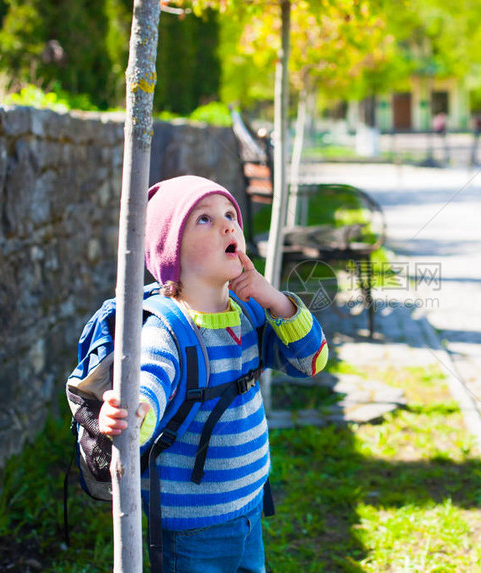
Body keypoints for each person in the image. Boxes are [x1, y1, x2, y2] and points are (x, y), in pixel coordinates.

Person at [98, 175, 328, 572]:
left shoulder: (251, 312)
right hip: (192, 529)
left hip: (249, 504)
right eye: (204, 219)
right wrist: (132, 409)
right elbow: (149, 382)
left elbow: (312, 361)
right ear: (172, 253)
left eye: (229, 215)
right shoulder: (168, 329)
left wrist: (273, 298)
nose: (227, 224)